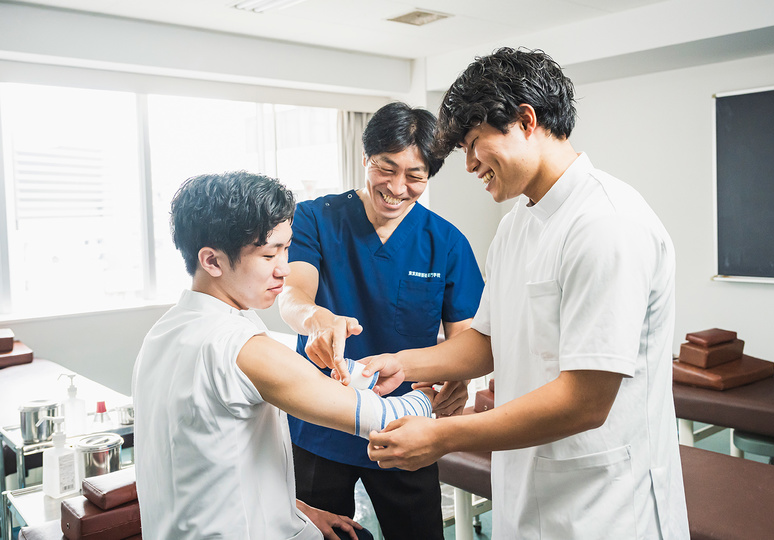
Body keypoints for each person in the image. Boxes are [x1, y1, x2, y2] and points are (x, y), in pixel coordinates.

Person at [363, 48, 690, 539]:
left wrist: (443, 436)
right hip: (529, 491)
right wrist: (404, 363)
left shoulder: (608, 224)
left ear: (526, 120)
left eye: (475, 143)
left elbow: (586, 401)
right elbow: (488, 341)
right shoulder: (517, 225)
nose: (470, 165)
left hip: (606, 506)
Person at [132, 171, 434, 540]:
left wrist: (297, 508)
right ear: (212, 261)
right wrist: (432, 393)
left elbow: (209, 460)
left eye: (287, 248)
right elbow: (383, 418)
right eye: (268, 253)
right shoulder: (242, 348)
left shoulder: (165, 331)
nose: (284, 268)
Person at [278, 102, 485, 539]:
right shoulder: (316, 219)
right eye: (386, 169)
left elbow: (463, 345)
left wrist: (458, 382)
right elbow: (293, 294)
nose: (396, 187)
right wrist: (316, 319)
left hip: (405, 427)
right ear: (365, 158)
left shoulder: (446, 244)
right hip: (321, 423)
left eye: (414, 176)